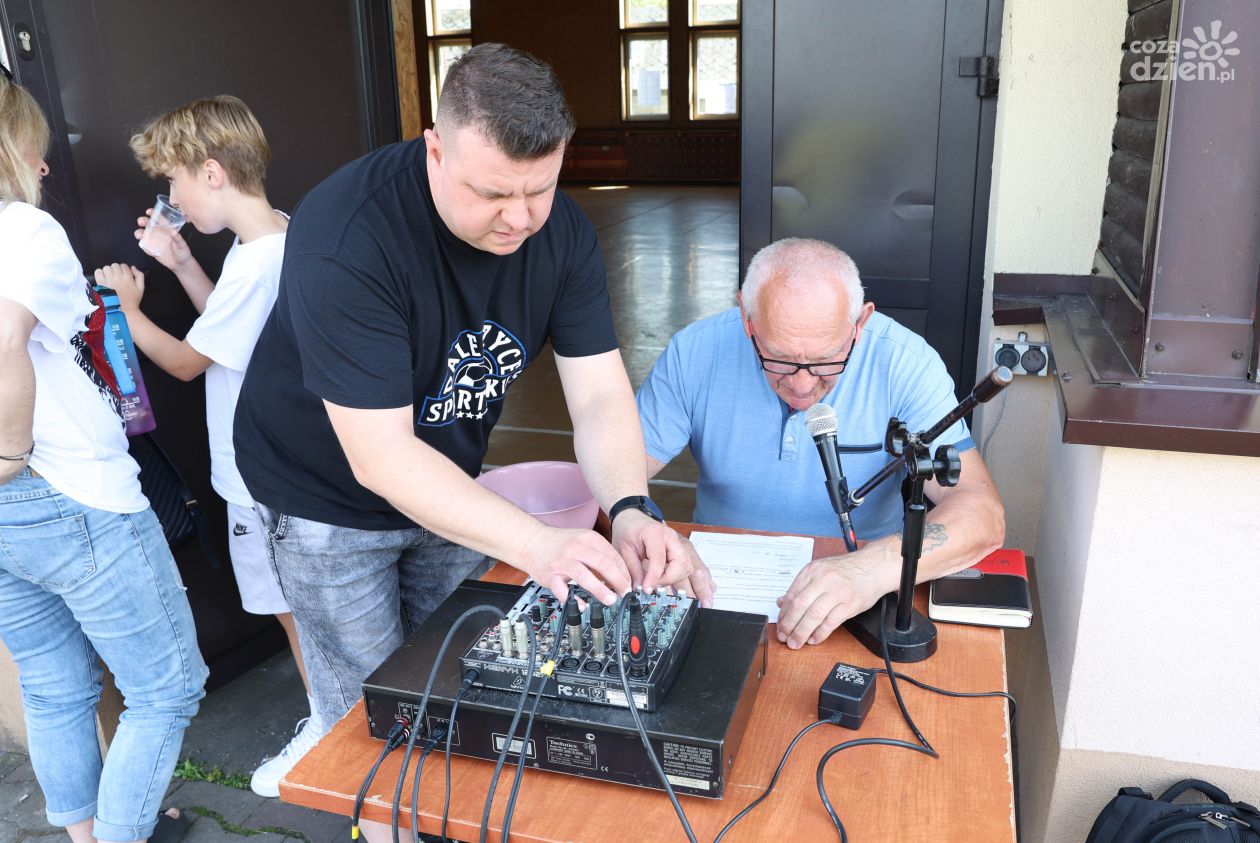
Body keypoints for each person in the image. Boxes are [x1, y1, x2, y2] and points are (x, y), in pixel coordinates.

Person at [232, 43, 697, 789]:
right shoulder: (347, 234)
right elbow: (381, 456)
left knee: (468, 680)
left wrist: (631, 508)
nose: (519, 218)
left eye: (539, 189)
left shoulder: (562, 233)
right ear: (436, 150)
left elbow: (600, 394)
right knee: (374, 717)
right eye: (492, 193)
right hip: (324, 498)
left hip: (449, 477)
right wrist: (538, 544)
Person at [0, 71, 207, 843]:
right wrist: (8, 452)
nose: (44, 164)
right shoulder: (21, 229)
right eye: (32, 147)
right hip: (68, 490)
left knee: (54, 685)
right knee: (166, 687)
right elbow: (5, 339)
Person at [90, 95, 311, 798]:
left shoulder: (256, 263)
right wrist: (184, 262)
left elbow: (190, 361)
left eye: (174, 180)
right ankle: (333, 717)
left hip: (259, 475)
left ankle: (327, 726)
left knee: (292, 610)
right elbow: (230, 328)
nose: (172, 196)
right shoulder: (278, 233)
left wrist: (126, 311)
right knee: (301, 604)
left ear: (211, 173)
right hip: (286, 463)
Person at [637, 237, 1005, 650]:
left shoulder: (905, 363)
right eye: (777, 358)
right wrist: (651, 533)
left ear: (860, 324)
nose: (801, 385)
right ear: (746, 318)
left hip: (859, 604)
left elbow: (982, 513)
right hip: (715, 592)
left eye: (826, 361)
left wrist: (869, 570)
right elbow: (608, 479)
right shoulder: (694, 352)